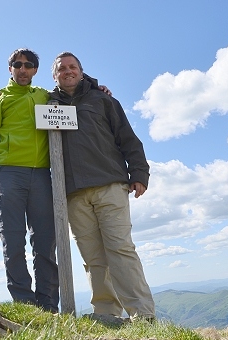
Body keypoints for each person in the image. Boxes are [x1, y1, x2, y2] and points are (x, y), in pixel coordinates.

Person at [0, 48, 110, 313]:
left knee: (46, 241)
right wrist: (0, 173)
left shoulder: (46, 97)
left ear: (36, 70)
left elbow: (73, 90)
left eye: (28, 65)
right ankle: (24, 304)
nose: (23, 69)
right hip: (10, 173)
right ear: (10, 69)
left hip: (43, 176)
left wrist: (98, 87)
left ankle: (48, 305)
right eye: (17, 65)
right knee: (13, 240)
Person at [48, 52, 156, 320]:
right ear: (55, 76)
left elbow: (127, 137)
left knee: (120, 248)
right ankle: (106, 313)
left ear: (82, 72)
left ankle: (143, 315)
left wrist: (139, 172)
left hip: (110, 184)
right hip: (72, 193)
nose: (68, 71)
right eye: (62, 68)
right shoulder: (47, 104)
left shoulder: (103, 99)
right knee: (93, 258)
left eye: (73, 67)